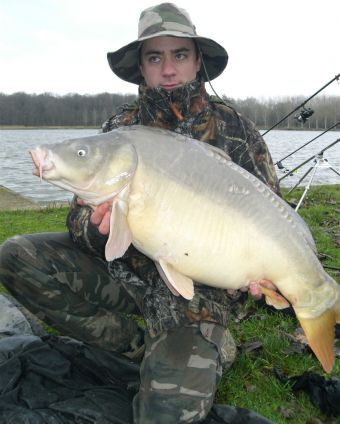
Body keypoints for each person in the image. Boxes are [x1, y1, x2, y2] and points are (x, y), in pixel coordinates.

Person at [0, 3, 280, 423]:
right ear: (142, 68)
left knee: (162, 415)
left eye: (179, 55)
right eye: (155, 57)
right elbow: (78, 220)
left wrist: (261, 277)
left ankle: (204, 344)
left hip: (197, 297)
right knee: (15, 255)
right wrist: (95, 229)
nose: (168, 69)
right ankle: (138, 346)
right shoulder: (121, 128)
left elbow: (272, 216)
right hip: (128, 275)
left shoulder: (235, 131)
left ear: (197, 60)